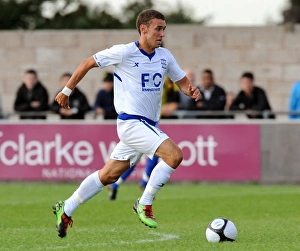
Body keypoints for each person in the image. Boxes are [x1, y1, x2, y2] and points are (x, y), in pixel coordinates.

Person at [52, 9, 200, 238]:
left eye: (164, 29)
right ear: (143, 29)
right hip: (131, 123)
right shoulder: (124, 52)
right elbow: (87, 62)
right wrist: (66, 90)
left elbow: (181, 81)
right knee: (175, 155)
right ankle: (144, 203)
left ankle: (66, 208)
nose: (162, 34)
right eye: (158, 28)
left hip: (148, 125)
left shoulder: (165, 56)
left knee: (108, 175)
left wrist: (189, 90)